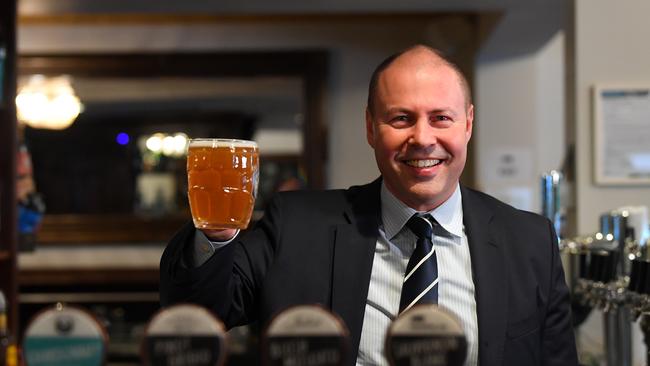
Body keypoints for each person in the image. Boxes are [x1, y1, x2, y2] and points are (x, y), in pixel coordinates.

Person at [160, 45, 578, 366]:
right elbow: (201, 313)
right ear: (370, 128)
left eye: (441, 118)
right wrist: (216, 228)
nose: (423, 138)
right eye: (401, 119)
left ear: (468, 124)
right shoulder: (298, 225)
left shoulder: (530, 241)